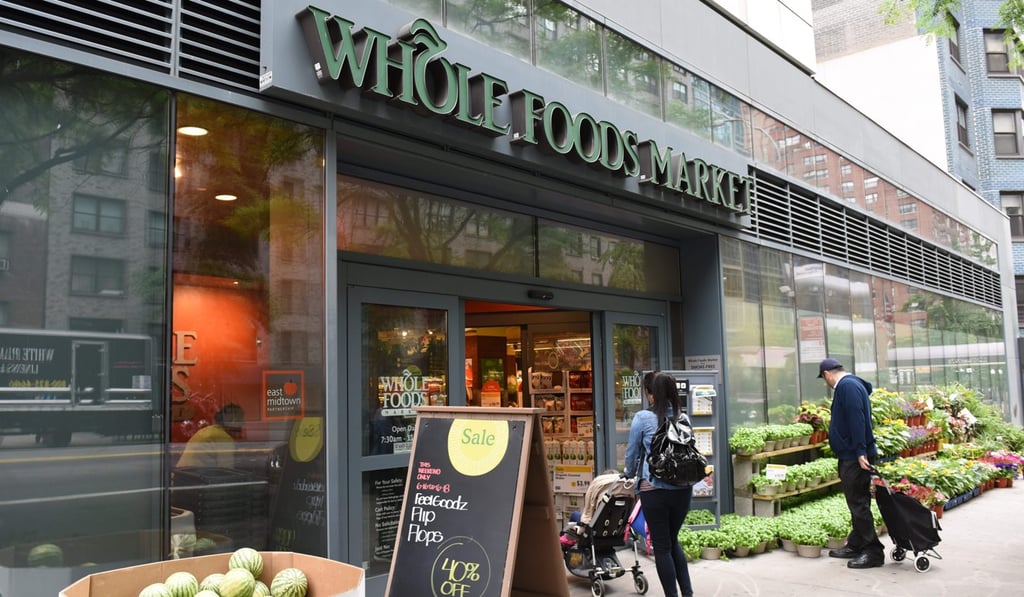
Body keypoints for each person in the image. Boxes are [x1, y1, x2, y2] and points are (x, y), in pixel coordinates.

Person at [624, 372, 693, 597]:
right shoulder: (684, 418)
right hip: (683, 490)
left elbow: (632, 453)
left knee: (662, 547)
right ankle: (687, 593)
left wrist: (629, 474)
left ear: (651, 394)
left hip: (654, 491)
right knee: (673, 541)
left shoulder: (643, 418)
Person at [818, 357, 885, 569]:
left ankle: (873, 551)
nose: (825, 382)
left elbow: (857, 418)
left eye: (823, 378)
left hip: (854, 457)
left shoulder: (847, 386)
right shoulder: (852, 385)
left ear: (828, 374)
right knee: (857, 501)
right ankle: (856, 543)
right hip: (853, 454)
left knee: (858, 503)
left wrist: (860, 451)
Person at [176, 403, 244, 469]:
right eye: (241, 419)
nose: (243, 423)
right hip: (196, 478)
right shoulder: (223, 438)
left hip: (182, 476)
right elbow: (226, 470)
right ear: (233, 420)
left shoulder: (207, 431)